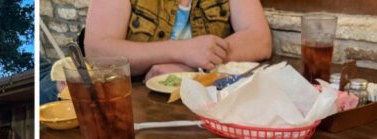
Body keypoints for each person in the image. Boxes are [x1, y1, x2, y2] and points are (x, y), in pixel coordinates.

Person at [83, 0, 272, 81]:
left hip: (211, 107)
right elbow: (98, 50)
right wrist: (181, 52)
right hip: (136, 113)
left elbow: (259, 39)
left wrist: (192, 67)